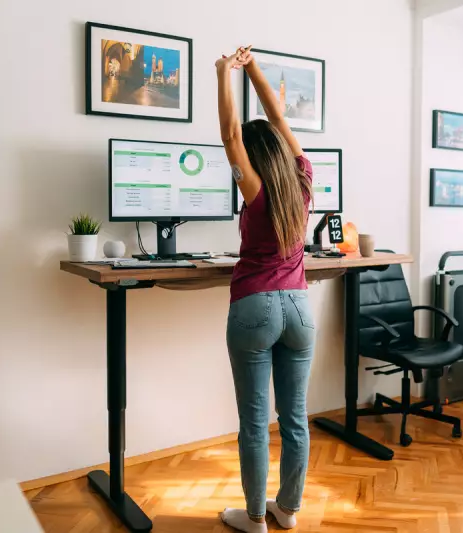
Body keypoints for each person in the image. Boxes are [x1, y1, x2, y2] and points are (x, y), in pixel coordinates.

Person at [215, 46, 315, 533]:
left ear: (252, 159)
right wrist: (252, 67)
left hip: (254, 307)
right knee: (294, 419)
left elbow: (232, 134)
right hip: (300, 308)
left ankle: (255, 518)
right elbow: (276, 118)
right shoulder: (303, 179)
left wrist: (223, 72)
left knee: (255, 423)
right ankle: (288, 511)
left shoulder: (251, 190)